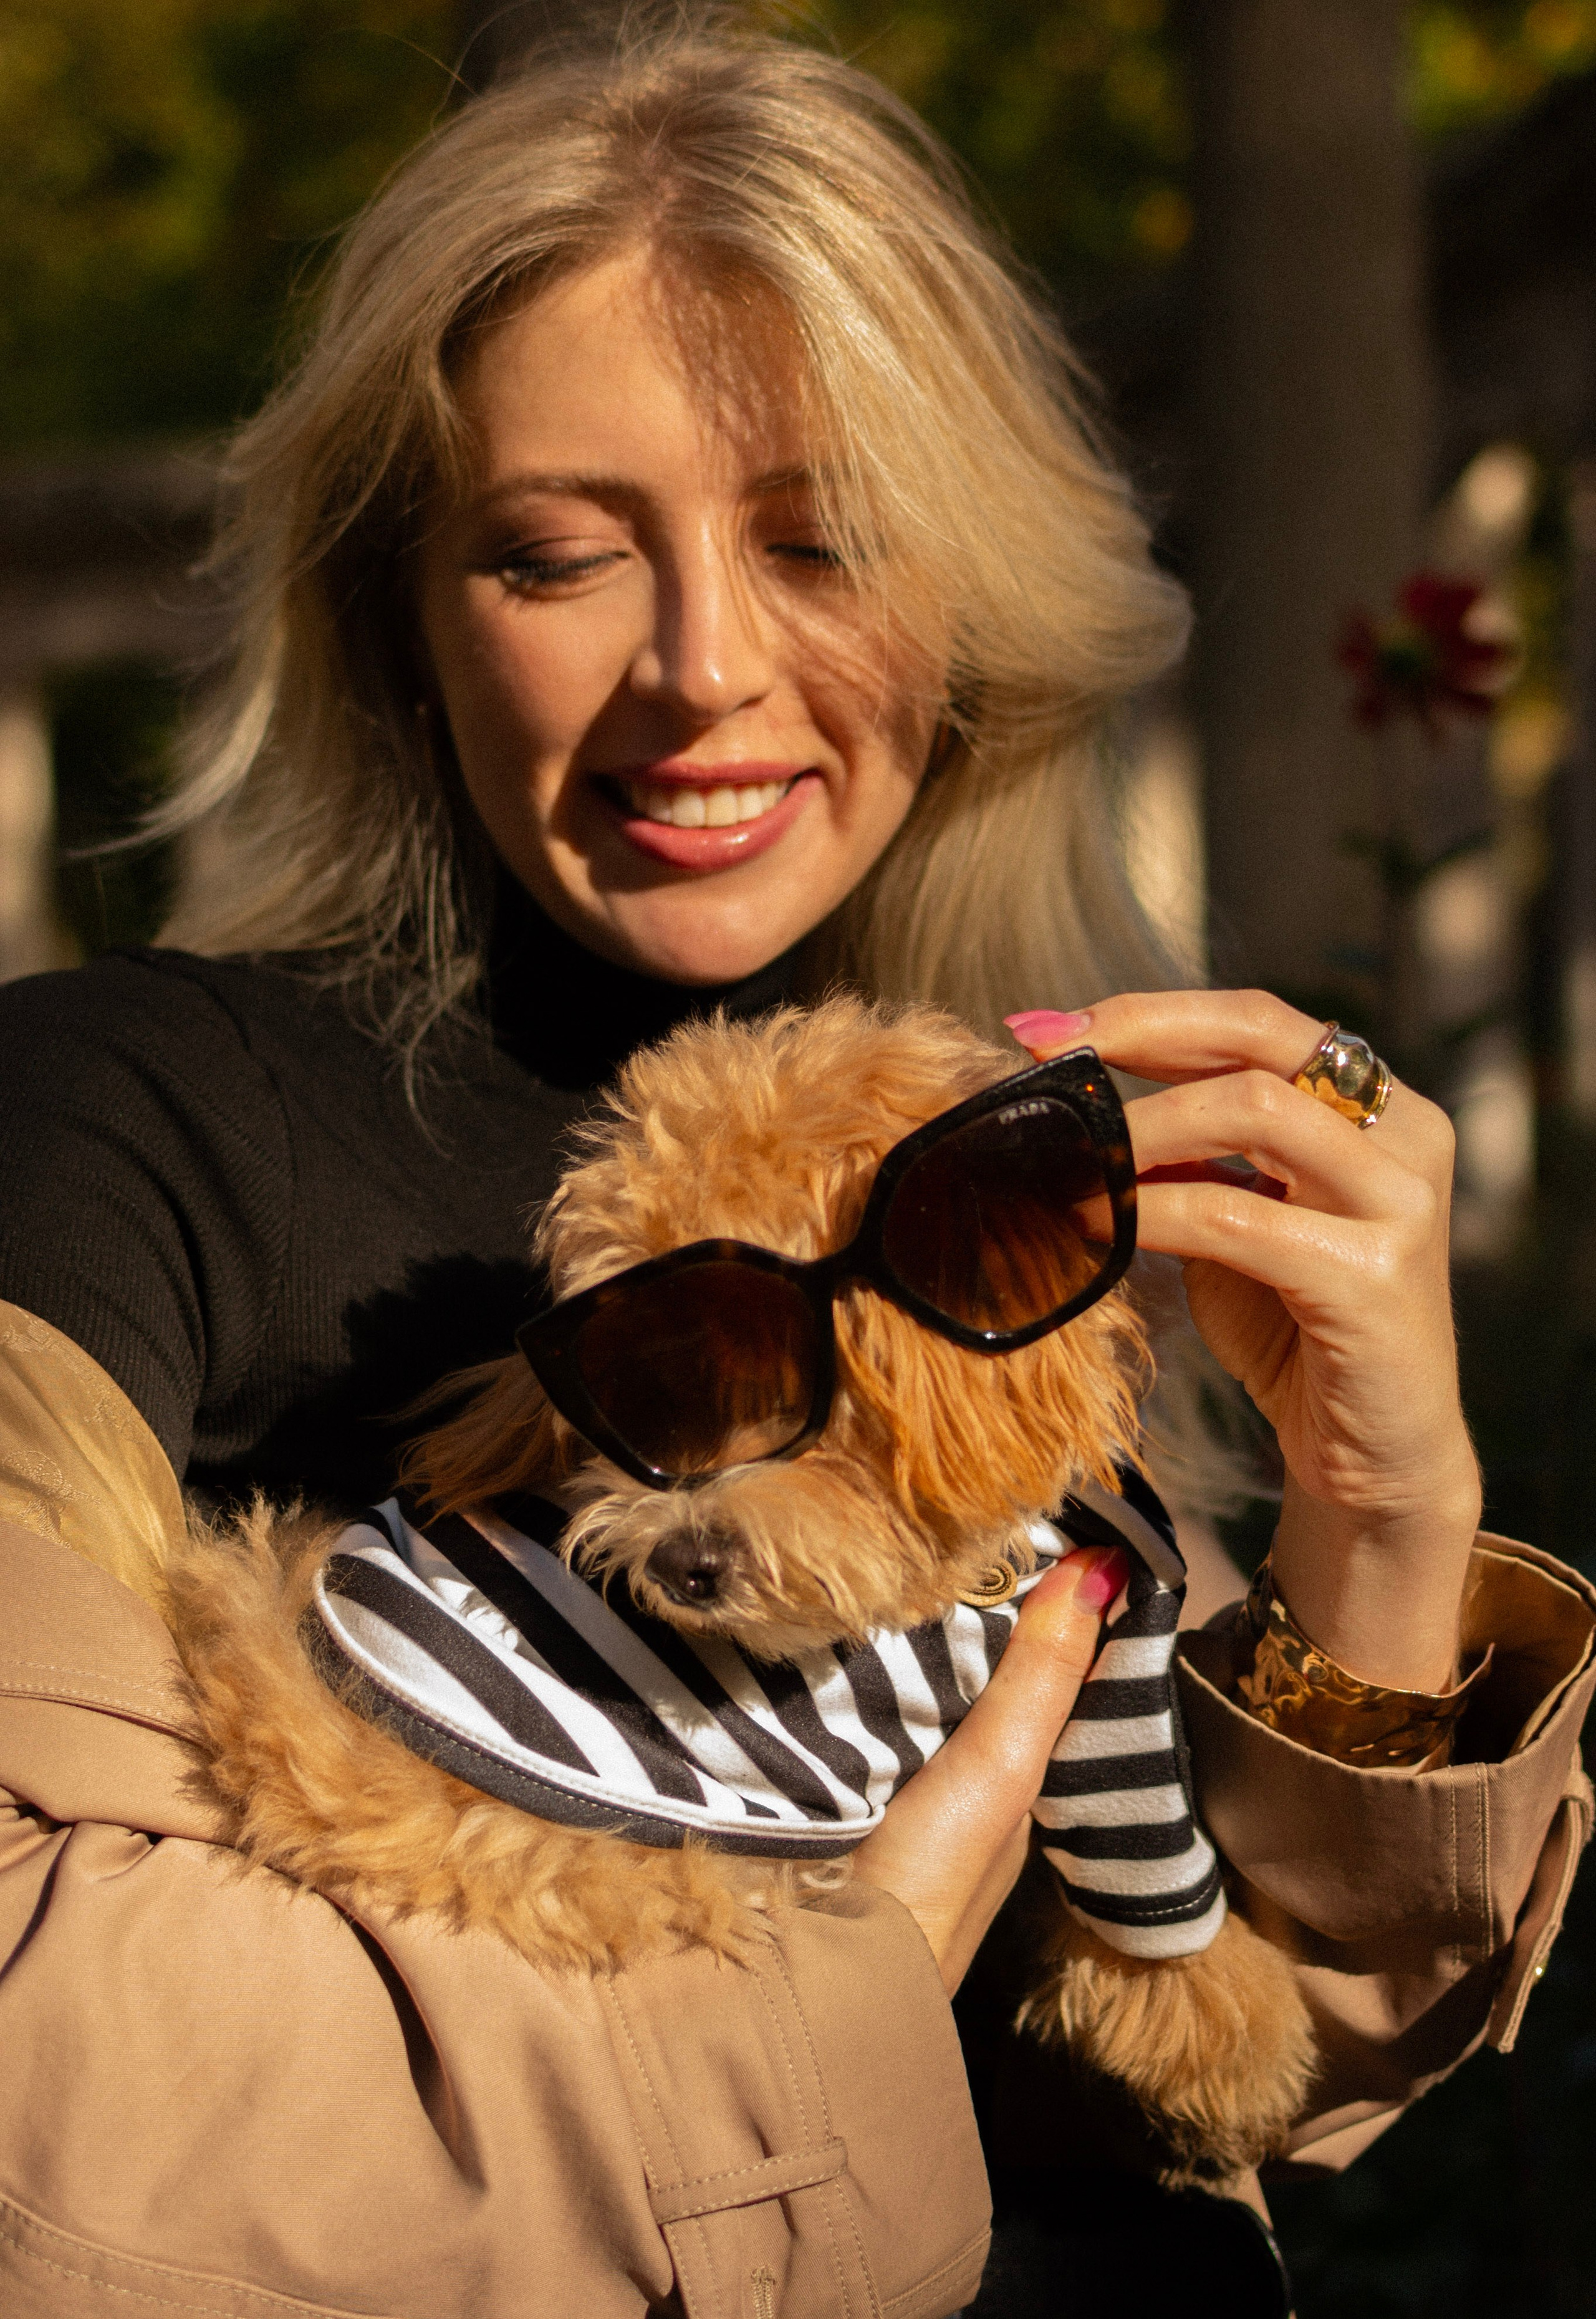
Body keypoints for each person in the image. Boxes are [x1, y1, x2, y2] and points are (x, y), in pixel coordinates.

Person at [0, 21, 1590, 2318]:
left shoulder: (1003, 1173)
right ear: (398, 612)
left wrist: (1386, 1520)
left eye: (821, 537)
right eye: (557, 554)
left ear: (977, 597)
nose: (706, 671)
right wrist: (809, 2020)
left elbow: (1264, 2075)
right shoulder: (115, 1117)